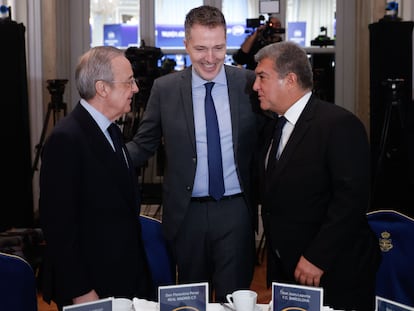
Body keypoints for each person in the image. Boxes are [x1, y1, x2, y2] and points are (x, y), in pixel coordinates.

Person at [126, 5, 263, 302]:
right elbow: (143, 143)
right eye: (201, 48)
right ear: (186, 44)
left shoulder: (249, 84)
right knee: (190, 302)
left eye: (219, 48)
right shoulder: (165, 89)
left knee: (236, 301)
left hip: (236, 212)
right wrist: (105, 158)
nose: (211, 58)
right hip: (186, 215)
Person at [253, 41, 381, 311]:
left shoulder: (339, 125)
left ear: (290, 80)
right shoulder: (273, 127)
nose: (255, 86)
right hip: (286, 271)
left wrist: (317, 257)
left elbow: (352, 201)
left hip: (331, 271)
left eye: (261, 77)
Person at [39, 46, 153, 310]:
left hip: (121, 278)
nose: (135, 89)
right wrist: (81, 291)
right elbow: (59, 226)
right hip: (91, 287)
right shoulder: (66, 139)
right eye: (129, 82)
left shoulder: (110, 130)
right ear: (102, 88)